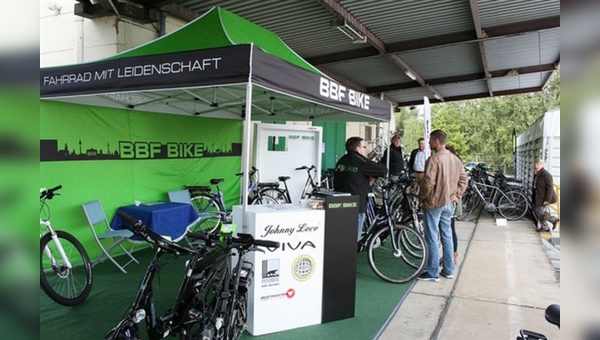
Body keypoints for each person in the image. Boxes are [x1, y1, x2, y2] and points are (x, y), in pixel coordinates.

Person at [418, 130, 468, 282]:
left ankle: (432, 272)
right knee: (447, 235)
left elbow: (428, 183)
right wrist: (456, 196)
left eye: (430, 140)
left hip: (434, 203)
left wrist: (422, 198)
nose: (428, 143)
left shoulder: (434, 159)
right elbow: (464, 179)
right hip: (449, 203)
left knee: (432, 237)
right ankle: (448, 269)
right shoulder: (455, 159)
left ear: (436, 141)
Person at [334, 137, 388, 242]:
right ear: (357, 148)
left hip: (339, 203)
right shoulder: (360, 160)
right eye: (364, 147)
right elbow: (382, 170)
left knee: (341, 235)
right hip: (356, 204)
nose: (365, 149)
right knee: (354, 238)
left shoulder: (342, 160)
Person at [533, 159, 559, 232]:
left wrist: (547, 200)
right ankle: (548, 224)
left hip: (544, 197)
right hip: (539, 196)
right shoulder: (537, 174)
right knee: (538, 211)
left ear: (542, 165)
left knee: (538, 210)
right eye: (535, 164)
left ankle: (548, 223)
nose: (536, 166)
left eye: (538, 164)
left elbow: (550, 188)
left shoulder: (546, 174)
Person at [445, 145, 461, 265]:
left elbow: (463, 181)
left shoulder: (455, 164)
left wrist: (457, 195)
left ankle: (453, 255)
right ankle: (451, 255)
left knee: (450, 229)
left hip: (452, 201)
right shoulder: (452, 163)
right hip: (448, 200)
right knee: (449, 229)